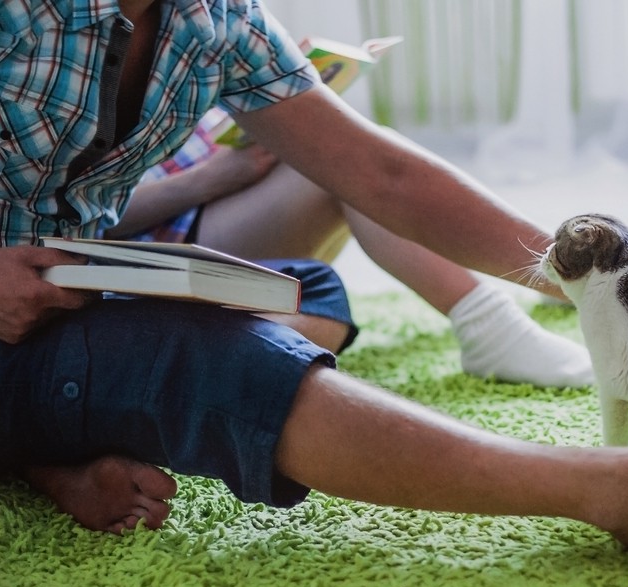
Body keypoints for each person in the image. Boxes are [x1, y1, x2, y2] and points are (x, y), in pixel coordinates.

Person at [0, 0, 628, 562]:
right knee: (216, 357)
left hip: (67, 294)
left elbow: (381, 174)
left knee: (290, 296)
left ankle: (45, 444)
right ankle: (614, 491)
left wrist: (597, 281)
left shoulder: (214, 21)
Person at [107, 107, 596, 388]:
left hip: (220, 200)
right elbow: (75, 219)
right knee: (340, 169)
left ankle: (560, 278)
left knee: (359, 147)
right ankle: (493, 324)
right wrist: (206, 180)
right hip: (159, 248)